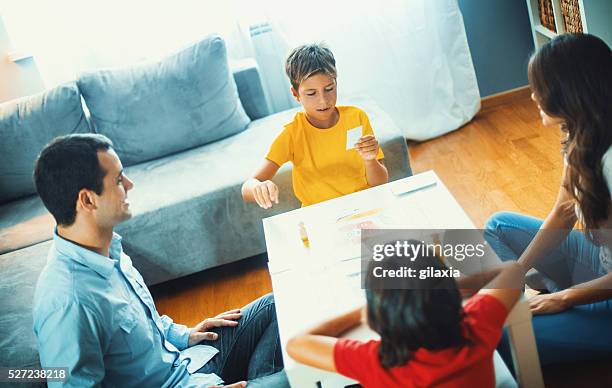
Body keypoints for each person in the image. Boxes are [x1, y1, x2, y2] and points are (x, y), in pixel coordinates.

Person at [32, 134, 289, 387]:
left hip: (187, 363)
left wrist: (184, 334)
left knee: (278, 303)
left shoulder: (109, 248)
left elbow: (140, 324)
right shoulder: (67, 302)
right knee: (310, 370)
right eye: (119, 179)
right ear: (88, 199)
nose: (130, 184)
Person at [484, 33, 612, 365]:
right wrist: (516, 271)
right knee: (498, 226)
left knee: (501, 335)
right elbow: (563, 213)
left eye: (540, 87)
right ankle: (551, 295)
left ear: (570, 90)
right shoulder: (580, 135)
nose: (533, 96)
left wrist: (566, 299)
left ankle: (563, 302)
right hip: (601, 264)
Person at [286, 241, 524, 388]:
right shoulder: (477, 324)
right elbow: (513, 269)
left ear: (377, 316)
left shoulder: (376, 361)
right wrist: (440, 286)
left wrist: (367, 309)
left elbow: (297, 344)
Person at [241, 43, 388, 209]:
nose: (323, 101)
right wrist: (258, 187)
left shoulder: (357, 118)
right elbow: (247, 187)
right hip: (320, 215)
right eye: (311, 93)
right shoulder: (292, 134)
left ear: (336, 84)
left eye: (329, 89)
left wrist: (370, 160)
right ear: (295, 94)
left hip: (365, 206)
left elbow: (380, 181)